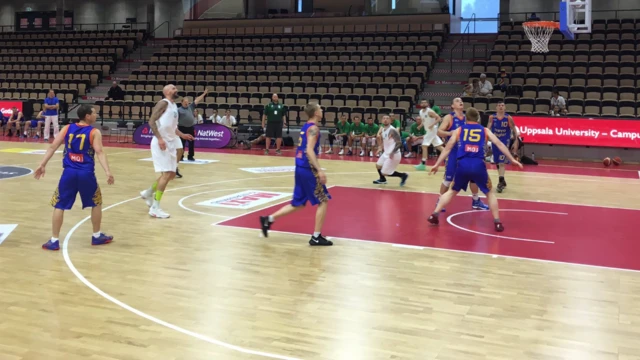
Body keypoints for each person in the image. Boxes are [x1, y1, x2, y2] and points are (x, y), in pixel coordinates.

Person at [428, 107, 523, 232]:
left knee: (452, 191)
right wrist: (512, 159)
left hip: (462, 164)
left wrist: (437, 164)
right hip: (478, 165)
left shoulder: (459, 130)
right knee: (489, 193)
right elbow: (499, 144)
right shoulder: (484, 130)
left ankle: (434, 214)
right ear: (478, 118)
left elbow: (447, 148)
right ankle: (497, 222)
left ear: (466, 119)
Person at [35, 104, 115, 250]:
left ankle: (54, 240)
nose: (96, 115)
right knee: (96, 203)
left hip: (69, 173)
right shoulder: (94, 132)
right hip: (86, 174)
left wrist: (42, 164)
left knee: (59, 205)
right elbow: (99, 152)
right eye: (94, 113)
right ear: (87, 116)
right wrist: (107, 171)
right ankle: (96, 236)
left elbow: (53, 147)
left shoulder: (67, 128)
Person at [259, 103, 332, 246]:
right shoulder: (313, 128)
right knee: (323, 200)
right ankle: (316, 237)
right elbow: (309, 150)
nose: (322, 110)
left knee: (298, 204)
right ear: (316, 113)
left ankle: (269, 219)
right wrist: (319, 170)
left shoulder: (305, 126)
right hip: (308, 168)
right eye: (320, 108)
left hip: (299, 167)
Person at [139, 84, 195, 219]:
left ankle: (148, 193)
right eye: (174, 88)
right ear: (167, 92)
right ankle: (155, 207)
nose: (176, 90)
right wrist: (159, 139)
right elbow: (151, 121)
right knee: (166, 174)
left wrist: (182, 135)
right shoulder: (163, 103)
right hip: (162, 142)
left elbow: (172, 127)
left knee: (171, 174)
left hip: (170, 142)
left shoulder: (174, 105)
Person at [437, 98, 489, 211]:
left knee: (473, 177)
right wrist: (450, 133)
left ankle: (476, 201)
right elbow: (439, 131)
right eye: (457, 101)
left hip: (468, 152)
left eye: (461, 101)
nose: (460, 102)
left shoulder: (468, 118)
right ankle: (440, 200)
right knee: (448, 178)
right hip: (454, 151)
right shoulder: (449, 117)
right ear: (452, 105)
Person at [487, 102, 520, 193]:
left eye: (502, 105)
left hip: (505, 142)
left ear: (505, 107)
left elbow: (514, 129)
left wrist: (516, 141)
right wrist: (485, 140)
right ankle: (502, 179)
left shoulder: (508, 118)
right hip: (495, 141)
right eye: (499, 105)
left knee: (502, 162)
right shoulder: (492, 117)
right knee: (497, 162)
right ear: (496, 108)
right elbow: (487, 129)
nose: (501, 107)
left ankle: (500, 182)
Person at [373, 115, 409, 186]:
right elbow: (386, 141)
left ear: (390, 120)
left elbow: (399, 143)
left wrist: (392, 152)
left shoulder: (392, 130)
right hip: (386, 152)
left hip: (394, 154)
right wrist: (380, 147)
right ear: (381, 120)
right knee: (378, 165)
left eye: (387, 118)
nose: (385, 120)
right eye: (384, 118)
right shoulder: (383, 129)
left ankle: (403, 175)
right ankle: (382, 179)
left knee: (384, 172)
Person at [178, 89, 207, 164]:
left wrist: (204, 94)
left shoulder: (191, 107)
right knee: (181, 143)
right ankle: (180, 156)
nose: (187, 104)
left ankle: (190, 156)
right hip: (182, 128)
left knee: (191, 142)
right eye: (185, 103)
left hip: (190, 128)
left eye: (187, 103)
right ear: (181, 102)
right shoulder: (178, 110)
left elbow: (197, 100)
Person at [415, 99, 444, 170]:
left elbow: (439, 118)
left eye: (425, 103)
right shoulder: (421, 112)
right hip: (428, 130)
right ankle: (450, 158)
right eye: (422, 103)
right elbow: (424, 120)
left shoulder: (430, 111)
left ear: (427, 104)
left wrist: (432, 125)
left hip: (432, 129)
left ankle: (423, 164)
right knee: (439, 146)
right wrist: (420, 126)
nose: (423, 104)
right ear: (420, 104)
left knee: (424, 146)